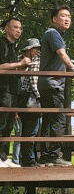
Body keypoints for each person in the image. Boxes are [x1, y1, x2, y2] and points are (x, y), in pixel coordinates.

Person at [38, 6, 74, 166]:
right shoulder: (53, 33)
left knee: (49, 120)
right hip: (52, 84)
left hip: (48, 83)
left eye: (69, 16)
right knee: (59, 119)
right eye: (63, 16)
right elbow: (61, 54)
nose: (67, 19)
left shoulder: (55, 34)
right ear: (54, 18)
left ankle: (46, 156)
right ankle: (54, 155)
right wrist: (73, 67)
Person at [0, 18, 30, 168]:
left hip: (13, 89)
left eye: (20, 28)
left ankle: (4, 157)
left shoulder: (13, 47)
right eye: (15, 27)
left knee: (9, 124)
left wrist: (21, 68)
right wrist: (19, 64)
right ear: (6, 28)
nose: (19, 30)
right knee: (2, 122)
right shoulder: (2, 44)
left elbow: (11, 67)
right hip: (3, 89)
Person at [19, 38, 42, 167]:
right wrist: (39, 97)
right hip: (31, 98)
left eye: (38, 49)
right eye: (35, 49)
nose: (38, 51)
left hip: (24, 97)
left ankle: (26, 158)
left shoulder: (23, 62)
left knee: (27, 130)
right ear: (28, 50)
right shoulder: (36, 61)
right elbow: (34, 81)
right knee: (32, 130)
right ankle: (30, 160)